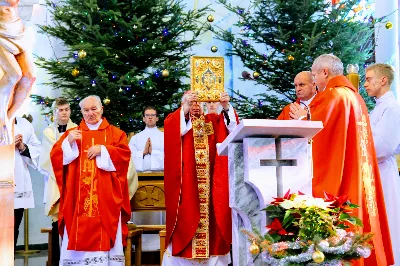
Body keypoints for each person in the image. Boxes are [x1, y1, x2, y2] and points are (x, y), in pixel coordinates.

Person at [290, 54, 394, 265]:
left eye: (314, 74)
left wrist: (302, 118)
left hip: (342, 172)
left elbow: (320, 133)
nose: (314, 80)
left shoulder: (332, 96)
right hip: (358, 168)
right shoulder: (354, 96)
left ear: (325, 73)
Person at [50, 95, 131, 266]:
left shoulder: (116, 134)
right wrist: (68, 143)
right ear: (81, 112)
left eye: (94, 109)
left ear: (101, 109)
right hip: (77, 200)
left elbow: (124, 156)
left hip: (106, 198)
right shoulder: (72, 134)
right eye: (86, 110)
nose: (90, 113)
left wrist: (104, 149)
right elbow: (55, 158)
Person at [162, 91, 238, 265]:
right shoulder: (179, 121)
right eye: (191, 103)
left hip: (212, 187)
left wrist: (226, 106)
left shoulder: (213, 121)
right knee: (185, 218)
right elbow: (172, 131)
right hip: (187, 187)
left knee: (214, 220)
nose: (196, 106)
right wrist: (186, 107)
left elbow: (232, 129)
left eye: (198, 102)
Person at [364, 63, 400, 264]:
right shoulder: (380, 107)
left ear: (383, 80)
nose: (365, 84)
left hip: (383, 172)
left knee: (388, 220)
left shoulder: (392, 108)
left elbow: (383, 147)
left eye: (369, 79)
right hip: (374, 170)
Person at [38, 98, 77, 266]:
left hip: (74, 179)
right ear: (54, 113)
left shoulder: (76, 129)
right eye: (60, 110)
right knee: (57, 221)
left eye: (67, 109)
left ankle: (75, 259)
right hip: (56, 179)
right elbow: (51, 155)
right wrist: (67, 142)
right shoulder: (48, 132)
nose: (64, 113)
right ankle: (57, 260)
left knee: (74, 220)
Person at [0, 0, 36, 145]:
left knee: (30, 77)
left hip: (17, 29)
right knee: (14, 74)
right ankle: (1, 117)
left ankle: (8, 118)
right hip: (1, 32)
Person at [13, 116, 41, 250]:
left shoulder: (25, 124)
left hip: (17, 183)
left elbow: (37, 150)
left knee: (13, 228)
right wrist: (7, 145)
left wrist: (22, 147)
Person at [129, 106, 164, 172]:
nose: (150, 117)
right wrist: (143, 152)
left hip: (161, 174)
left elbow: (170, 156)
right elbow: (129, 157)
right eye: (147, 115)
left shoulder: (165, 137)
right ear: (144, 118)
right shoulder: (135, 138)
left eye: (153, 115)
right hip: (140, 175)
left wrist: (152, 152)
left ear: (157, 118)